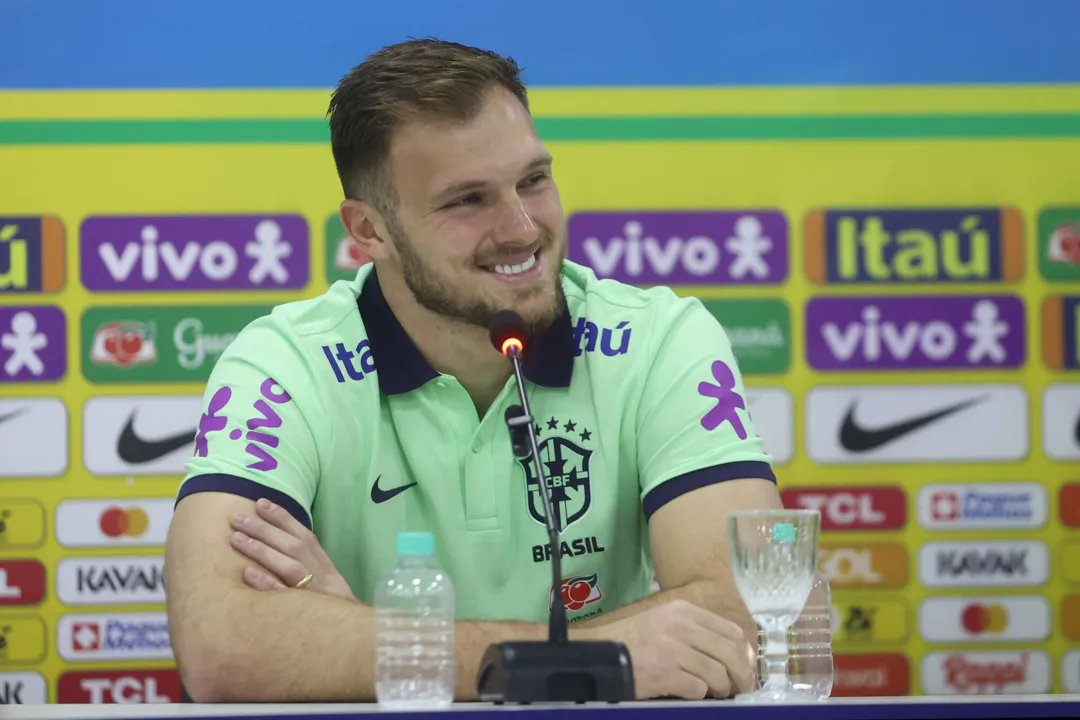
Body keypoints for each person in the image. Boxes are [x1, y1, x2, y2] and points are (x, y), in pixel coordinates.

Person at [164, 37, 784, 704]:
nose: (521, 227)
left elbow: (745, 617)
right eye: (467, 200)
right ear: (370, 231)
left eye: (534, 180)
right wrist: (607, 654)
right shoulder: (284, 362)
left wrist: (375, 638)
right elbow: (220, 643)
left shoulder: (661, 340)